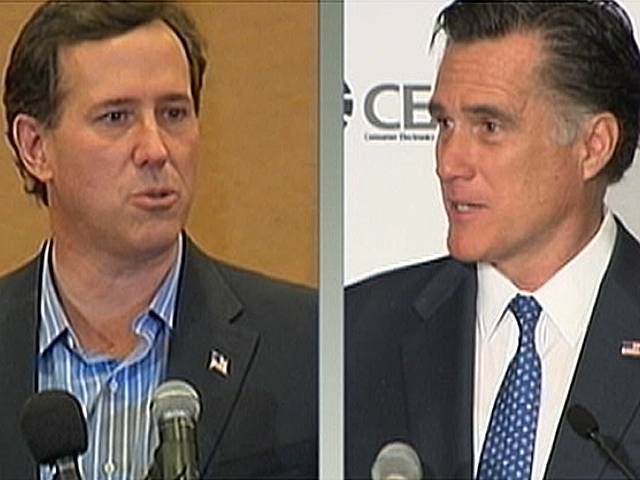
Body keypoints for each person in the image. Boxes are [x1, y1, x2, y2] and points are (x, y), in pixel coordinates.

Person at [0, 1, 317, 479]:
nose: (155, 149)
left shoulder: (311, 347)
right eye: (116, 117)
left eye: (173, 113)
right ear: (35, 148)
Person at [346, 1, 640, 479]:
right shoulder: (356, 334)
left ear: (593, 146)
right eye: (444, 124)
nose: (448, 163)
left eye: (489, 127)